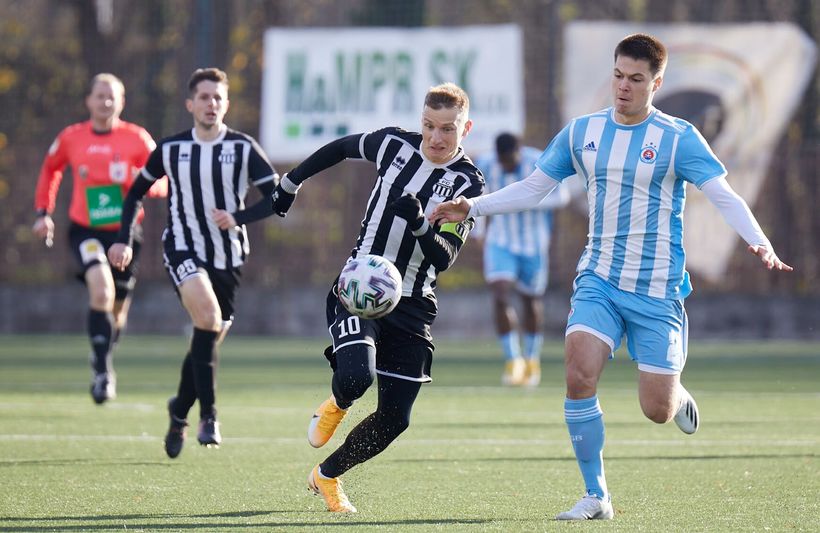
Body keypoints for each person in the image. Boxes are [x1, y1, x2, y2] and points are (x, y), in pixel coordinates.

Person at [431, 33, 792, 520]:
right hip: (599, 278)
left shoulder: (678, 137)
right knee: (578, 375)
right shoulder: (583, 132)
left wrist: (760, 240)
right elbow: (536, 187)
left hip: (657, 288)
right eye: (618, 75)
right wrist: (472, 206)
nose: (623, 86)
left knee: (656, 410)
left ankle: (675, 389)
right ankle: (596, 495)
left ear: (656, 82)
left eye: (636, 79)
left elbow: (723, 193)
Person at [270, 82, 484, 513]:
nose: (436, 138)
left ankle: (327, 476)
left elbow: (442, 259)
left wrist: (421, 224)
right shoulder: (393, 145)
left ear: (466, 128)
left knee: (395, 419)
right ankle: (339, 402)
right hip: (359, 286)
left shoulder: (468, 183)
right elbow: (342, 147)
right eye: (428, 126)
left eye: (447, 129)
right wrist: (291, 181)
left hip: (414, 303)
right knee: (355, 378)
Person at [108, 68, 279, 458]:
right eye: (204, 97)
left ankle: (178, 411)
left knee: (208, 336)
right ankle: (209, 415)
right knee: (206, 318)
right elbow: (134, 191)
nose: (211, 104)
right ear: (190, 104)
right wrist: (122, 240)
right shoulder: (171, 149)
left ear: (226, 104)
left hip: (229, 256)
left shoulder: (243, 148)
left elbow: (277, 199)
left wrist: (240, 217)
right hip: (182, 247)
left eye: (218, 97)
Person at [32, 73, 166, 404]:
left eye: (112, 97)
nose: (105, 102)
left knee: (117, 310)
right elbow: (51, 169)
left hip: (125, 232)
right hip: (86, 230)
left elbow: (164, 182)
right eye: (99, 96)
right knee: (101, 287)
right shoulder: (71, 137)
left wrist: (141, 180)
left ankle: (102, 350)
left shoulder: (137, 139)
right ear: (88, 100)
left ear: (121, 102)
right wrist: (42, 213)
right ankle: (103, 372)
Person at [474, 132, 570, 387]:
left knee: (530, 300)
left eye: (510, 161)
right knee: (500, 292)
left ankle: (531, 359)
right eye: (502, 161)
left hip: (533, 244)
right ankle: (512, 360)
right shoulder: (486, 164)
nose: (506, 166)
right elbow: (479, 198)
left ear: (519, 152)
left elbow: (563, 196)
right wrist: (479, 232)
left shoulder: (539, 161)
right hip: (500, 241)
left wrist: (523, 200)